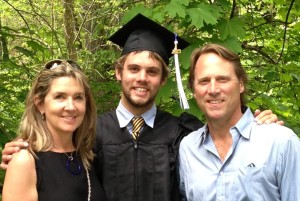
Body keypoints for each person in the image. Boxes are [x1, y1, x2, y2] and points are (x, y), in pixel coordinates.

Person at [1, 14, 281, 201]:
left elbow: (226, 143)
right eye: (134, 69)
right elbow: (53, 156)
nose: (142, 78)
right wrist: (20, 151)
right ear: (118, 73)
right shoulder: (88, 132)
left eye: (152, 71)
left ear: (163, 79)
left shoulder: (184, 133)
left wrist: (260, 126)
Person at [178, 43, 300, 201]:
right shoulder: (188, 149)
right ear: (194, 91)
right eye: (204, 81)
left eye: (222, 79)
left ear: (241, 84)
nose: (213, 89)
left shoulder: (279, 142)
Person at [2, 60, 106, 201]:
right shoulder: (24, 161)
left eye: (78, 97)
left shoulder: (88, 154)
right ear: (40, 104)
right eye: (59, 97)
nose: (71, 106)